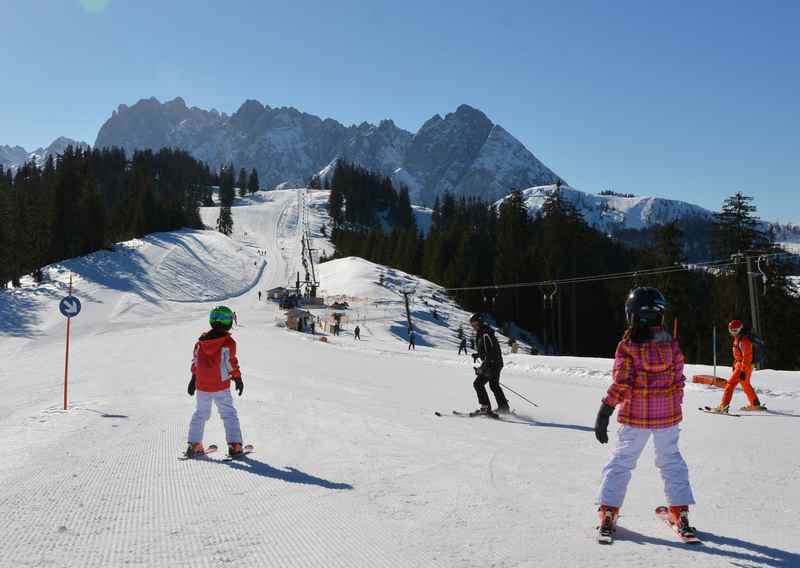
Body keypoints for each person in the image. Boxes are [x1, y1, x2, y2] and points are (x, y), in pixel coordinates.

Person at [594, 287, 695, 542]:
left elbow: (622, 382)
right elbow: (678, 380)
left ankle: (608, 511)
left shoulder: (628, 346)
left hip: (634, 418)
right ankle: (680, 512)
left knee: (621, 463)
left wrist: (605, 410)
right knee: (671, 461)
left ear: (632, 315)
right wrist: (674, 404)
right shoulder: (671, 344)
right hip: (667, 418)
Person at [185, 306, 245, 458]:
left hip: (203, 386)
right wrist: (237, 378)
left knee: (200, 413)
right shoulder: (228, 343)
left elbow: (196, 362)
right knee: (228, 414)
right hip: (220, 386)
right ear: (229, 323)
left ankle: (194, 445)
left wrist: (193, 379)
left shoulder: (201, 342)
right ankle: (235, 445)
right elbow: (230, 362)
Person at [713, 320, 764, 413]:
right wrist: (734, 364)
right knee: (745, 384)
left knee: (730, 385)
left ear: (740, 329)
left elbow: (747, 357)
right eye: (731, 330)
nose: (733, 332)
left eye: (735, 330)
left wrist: (743, 371)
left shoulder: (744, 340)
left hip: (744, 366)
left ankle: (723, 406)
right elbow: (738, 354)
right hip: (741, 365)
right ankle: (755, 404)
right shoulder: (738, 338)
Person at [469, 313, 509, 415]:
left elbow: (491, 352)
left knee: (478, 384)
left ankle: (486, 407)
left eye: (474, 323)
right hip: (495, 362)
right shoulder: (482, 332)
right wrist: (478, 355)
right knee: (494, 385)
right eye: (471, 324)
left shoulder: (485, 333)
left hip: (493, 363)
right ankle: (504, 407)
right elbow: (488, 349)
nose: (473, 326)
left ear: (479, 322)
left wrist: (483, 368)